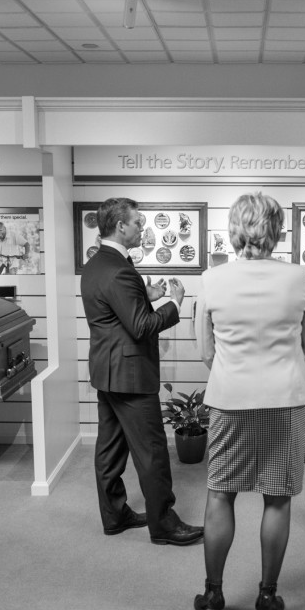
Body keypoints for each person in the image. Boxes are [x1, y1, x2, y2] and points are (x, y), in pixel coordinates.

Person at [192, 192, 305, 610]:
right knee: (278, 500)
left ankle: (212, 595)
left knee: (220, 494)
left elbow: (205, 351)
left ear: (233, 230)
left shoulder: (212, 279)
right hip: (285, 400)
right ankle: (267, 597)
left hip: (230, 400)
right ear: (277, 229)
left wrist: (234, 365)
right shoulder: (298, 276)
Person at [81, 197, 203, 547]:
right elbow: (141, 326)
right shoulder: (119, 268)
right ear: (120, 226)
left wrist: (145, 294)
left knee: (110, 449)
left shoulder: (98, 263)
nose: (142, 229)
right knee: (152, 452)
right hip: (131, 376)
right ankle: (163, 524)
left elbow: (116, 312)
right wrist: (173, 303)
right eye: (137, 223)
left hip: (108, 372)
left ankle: (115, 515)